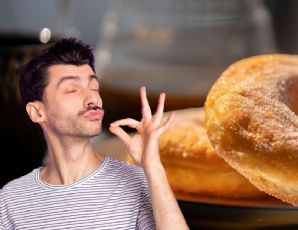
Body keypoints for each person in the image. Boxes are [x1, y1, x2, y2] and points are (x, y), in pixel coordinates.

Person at [0, 38, 188, 230]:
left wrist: (154, 167)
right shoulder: (11, 200)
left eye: (94, 87)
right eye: (72, 90)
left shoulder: (138, 182)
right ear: (37, 112)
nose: (92, 98)